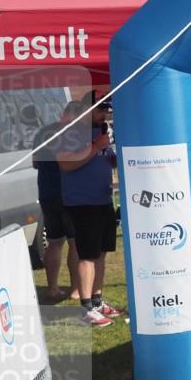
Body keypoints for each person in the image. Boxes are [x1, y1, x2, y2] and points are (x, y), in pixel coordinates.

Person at [56, 94, 122, 327]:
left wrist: (112, 156)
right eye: (101, 109)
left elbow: (104, 158)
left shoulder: (100, 134)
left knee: (102, 252)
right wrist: (96, 147)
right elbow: (65, 163)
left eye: (106, 110)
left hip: (103, 200)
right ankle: (86, 308)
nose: (104, 115)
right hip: (82, 203)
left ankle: (97, 301)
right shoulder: (70, 133)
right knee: (88, 255)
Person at [32, 102, 80, 303]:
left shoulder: (43, 132)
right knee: (75, 243)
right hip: (70, 193)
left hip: (47, 193)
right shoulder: (74, 133)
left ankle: (52, 289)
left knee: (54, 242)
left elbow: (35, 163)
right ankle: (77, 289)